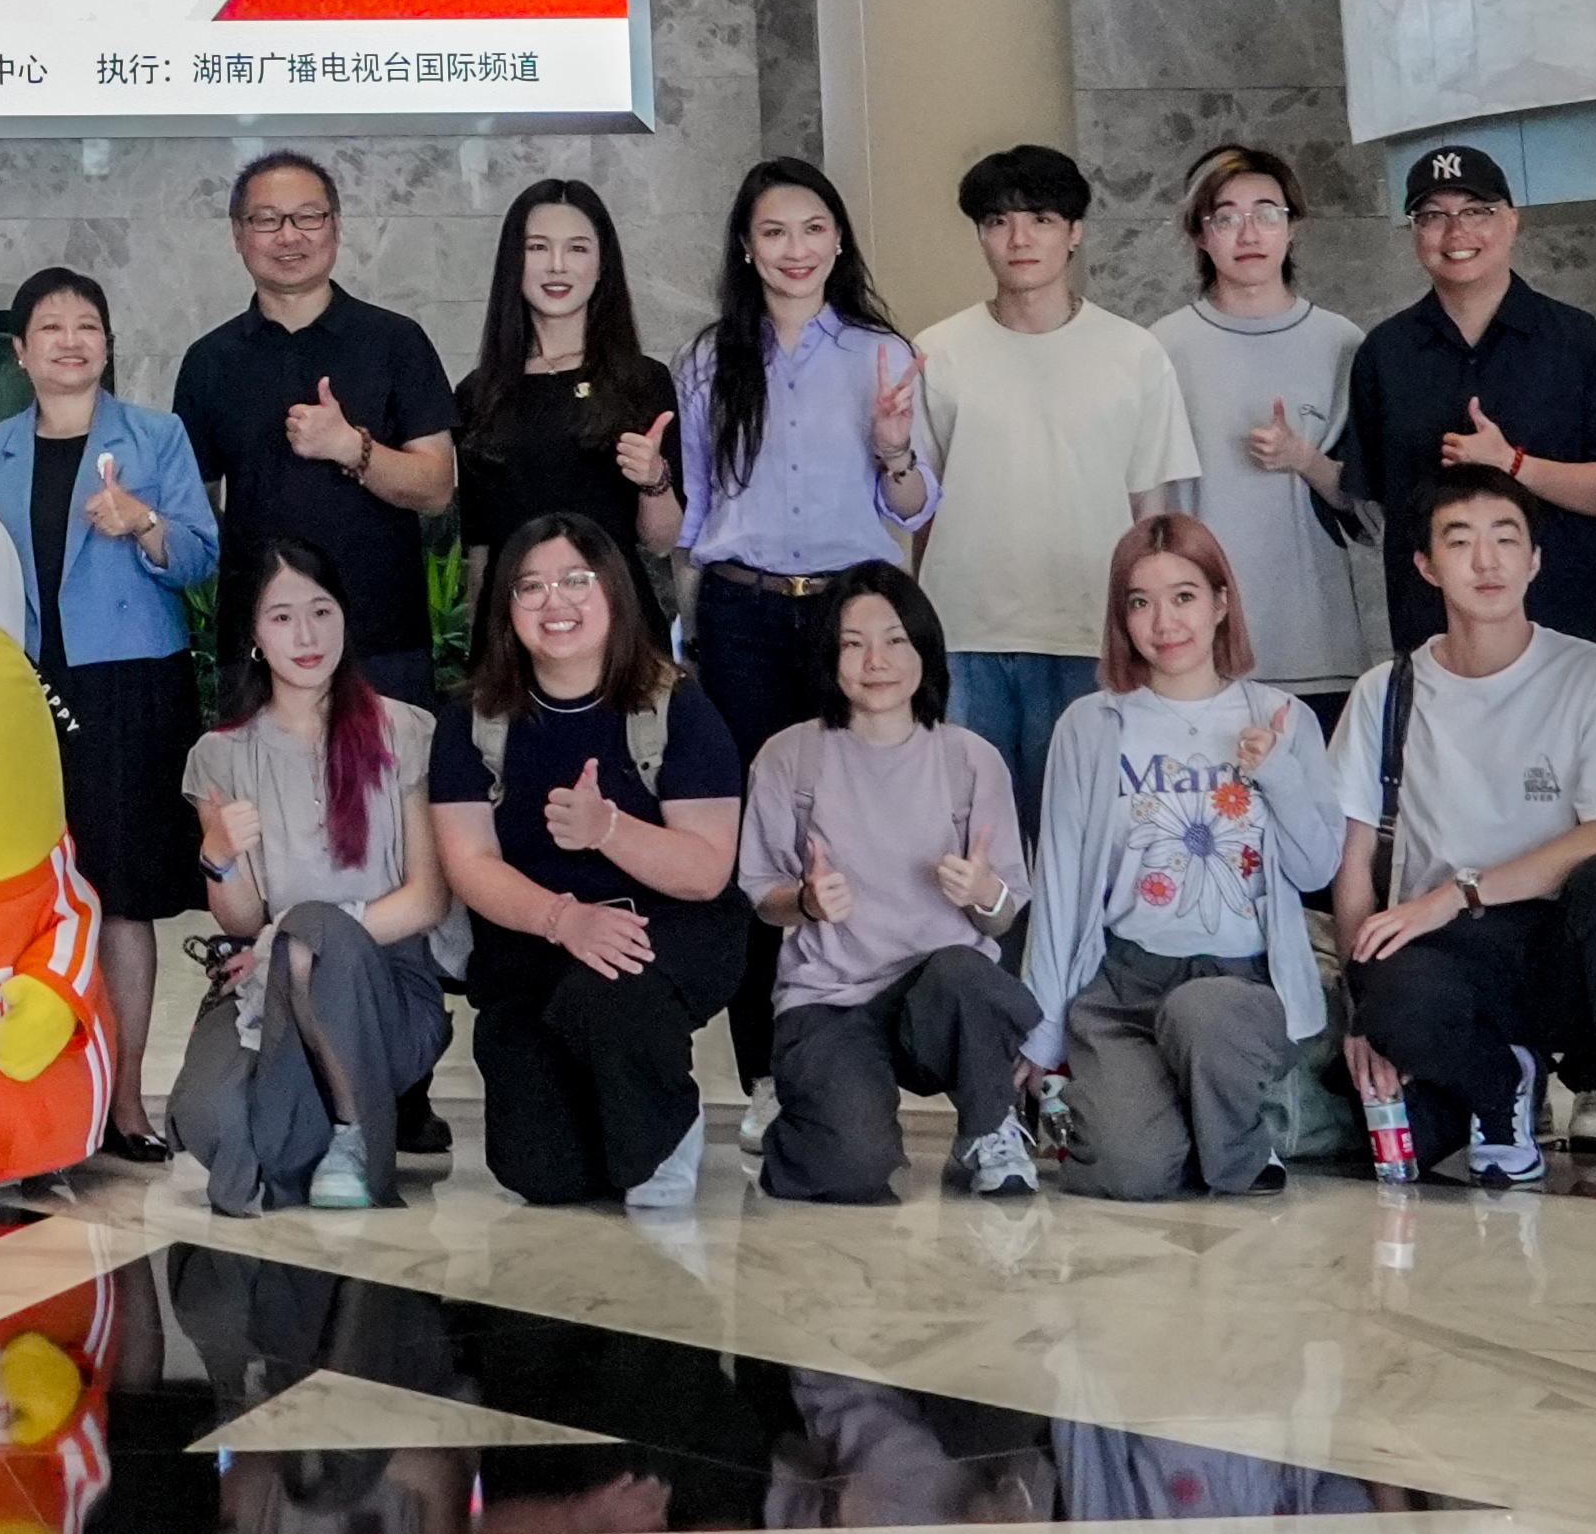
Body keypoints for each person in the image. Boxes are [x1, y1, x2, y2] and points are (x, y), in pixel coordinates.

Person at [1329, 468, 1596, 1212]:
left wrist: (1459, 891)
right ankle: (1498, 1085)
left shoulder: (1591, 673)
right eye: (1460, 541)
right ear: (1425, 565)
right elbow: (1353, 865)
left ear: (1534, 559)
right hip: (1446, 953)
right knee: (1388, 995)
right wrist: (1359, 1012)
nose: (1486, 561)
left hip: (1564, 945)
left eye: (1505, 539)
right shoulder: (1387, 690)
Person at [648, 154, 928, 1085]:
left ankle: (855, 1057)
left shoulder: (881, 355)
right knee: (757, 839)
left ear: (838, 239)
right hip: (741, 613)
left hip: (853, 612)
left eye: (812, 228)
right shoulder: (707, 360)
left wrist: (893, 450)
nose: (794, 248)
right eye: (773, 231)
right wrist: (650, 484)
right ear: (745, 246)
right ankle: (766, 1074)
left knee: (858, 825)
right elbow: (688, 522)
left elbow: (913, 505)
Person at [0, 264, 217, 1157]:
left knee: (121, 895)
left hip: (129, 687)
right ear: (19, 350)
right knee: (25, 889)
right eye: (50, 327)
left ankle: (125, 1100)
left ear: (107, 343)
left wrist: (142, 522)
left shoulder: (155, 435)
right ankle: (25, 1095)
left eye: (87, 326)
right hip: (21, 687)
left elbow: (198, 557)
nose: (70, 341)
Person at [1019, 514, 1341, 1202]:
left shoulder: (1281, 716)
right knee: (1127, 1172)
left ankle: (1239, 1149)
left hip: (1241, 984)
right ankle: (1181, 1120)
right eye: (1140, 601)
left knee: (1201, 1012)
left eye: (1184, 596)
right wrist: (1041, 1035)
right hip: (1123, 984)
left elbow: (1316, 869)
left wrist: (1276, 770)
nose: (1164, 622)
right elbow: (1060, 885)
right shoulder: (1090, 724)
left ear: (1221, 603)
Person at [428, 512, 742, 1208]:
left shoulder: (675, 706)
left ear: (613, 591)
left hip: (660, 934)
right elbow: (468, 861)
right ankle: (620, 1120)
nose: (555, 602)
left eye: (576, 579)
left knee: (608, 994)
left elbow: (706, 871)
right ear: (504, 606)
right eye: (530, 586)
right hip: (534, 945)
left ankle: (665, 1133)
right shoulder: (471, 719)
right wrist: (563, 918)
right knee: (540, 1173)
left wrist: (608, 829)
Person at [735, 564, 1042, 1202]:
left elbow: (1003, 916)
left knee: (968, 973)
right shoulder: (789, 757)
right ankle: (816, 1116)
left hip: (938, 1000)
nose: (876, 661)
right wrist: (807, 902)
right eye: (853, 643)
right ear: (829, 656)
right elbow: (763, 899)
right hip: (830, 1000)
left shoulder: (971, 760)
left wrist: (982, 893)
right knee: (851, 1170)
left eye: (896, 640)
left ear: (924, 650)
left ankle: (988, 1128)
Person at [905, 148, 1197, 817]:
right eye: (997, 221)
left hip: (1090, 631)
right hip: (965, 634)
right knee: (967, 835)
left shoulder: (1134, 353)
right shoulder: (937, 351)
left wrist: (1150, 630)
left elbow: (1149, 512)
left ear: (1074, 231)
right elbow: (922, 508)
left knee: (1086, 834)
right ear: (980, 235)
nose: (1018, 239)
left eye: (1039, 219)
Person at [174, 539, 451, 1214]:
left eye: (321, 611)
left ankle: (353, 1133)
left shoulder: (401, 729)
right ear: (253, 635)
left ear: (345, 618)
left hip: (385, 987)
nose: (306, 636)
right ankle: (306, 1126)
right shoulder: (220, 755)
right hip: (266, 982)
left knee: (307, 936)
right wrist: (218, 855)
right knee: (211, 1123)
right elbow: (242, 921)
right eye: (281, 617)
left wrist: (293, 940)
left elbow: (428, 898)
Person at [1317, 148, 1596, 662]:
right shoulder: (1385, 354)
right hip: (1437, 648)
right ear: (1414, 233)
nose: (1456, 232)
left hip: (1574, 640)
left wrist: (1514, 464)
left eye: (1476, 211)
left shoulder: (1581, 342)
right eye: (1433, 216)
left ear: (1512, 221)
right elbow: (1372, 501)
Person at [174, 153, 459, 703]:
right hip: (256, 649)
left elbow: (436, 487)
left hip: (382, 642)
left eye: (308, 217)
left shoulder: (396, 341)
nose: (289, 236)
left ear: (335, 226)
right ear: (238, 234)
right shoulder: (209, 361)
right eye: (266, 220)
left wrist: (351, 446)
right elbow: (196, 513)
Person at [1159, 146, 1375, 700]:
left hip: (1316, 643)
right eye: (1226, 218)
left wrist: (1303, 458)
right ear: (1200, 235)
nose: (1249, 233)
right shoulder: (1161, 349)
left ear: (1292, 227)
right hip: (1196, 646)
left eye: (1267, 213)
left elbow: (1367, 509)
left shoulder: (1343, 345)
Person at [449, 177, 666, 640]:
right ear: (512, 262)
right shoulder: (477, 393)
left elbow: (662, 539)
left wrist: (654, 479)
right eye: (537, 247)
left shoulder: (642, 380)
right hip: (517, 629)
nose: (557, 265)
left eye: (578, 248)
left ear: (602, 265)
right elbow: (481, 550)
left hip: (619, 625)